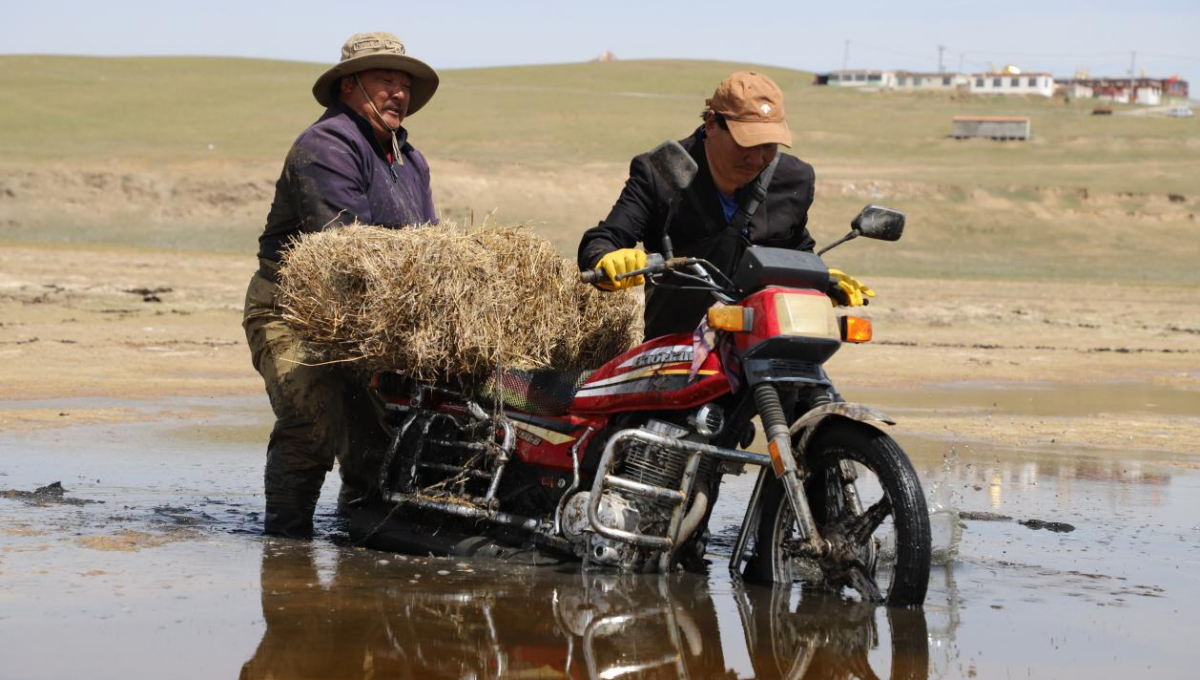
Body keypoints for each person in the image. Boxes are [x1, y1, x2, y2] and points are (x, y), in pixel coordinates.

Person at [242, 32, 440, 538]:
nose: (398, 93)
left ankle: (359, 537)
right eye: (385, 80)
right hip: (294, 309)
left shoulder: (411, 161)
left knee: (379, 441)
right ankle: (285, 550)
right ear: (349, 85)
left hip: (369, 318)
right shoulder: (325, 145)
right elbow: (347, 248)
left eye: (404, 84)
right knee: (313, 422)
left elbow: (431, 247)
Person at [578, 71, 872, 339]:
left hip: (767, 345)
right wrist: (607, 261)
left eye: (769, 146)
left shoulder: (793, 179)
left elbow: (795, 249)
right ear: (711, 124)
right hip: (678, 351)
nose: (757, 160)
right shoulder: (661, 172)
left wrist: (819, 277)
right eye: (747, 144)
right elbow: (603, 240)